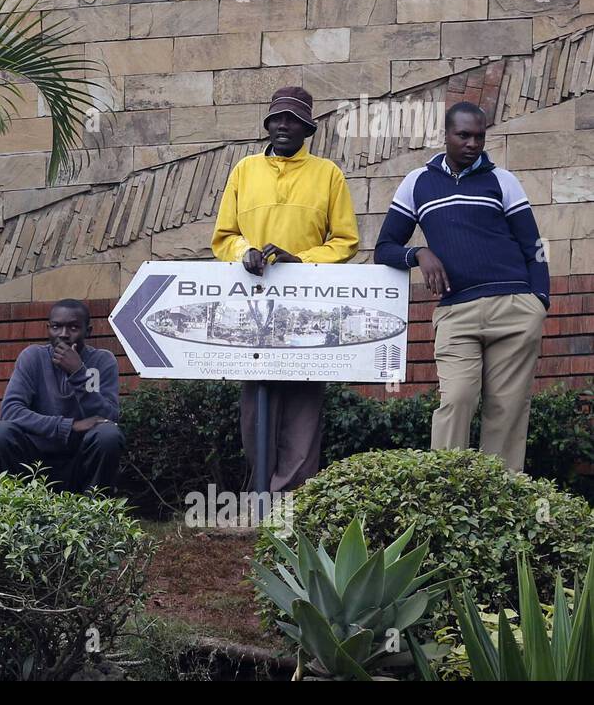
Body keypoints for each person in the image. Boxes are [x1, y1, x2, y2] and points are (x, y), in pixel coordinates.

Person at [374, 101, 549, 471]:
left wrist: (540, 301)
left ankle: (499, 501)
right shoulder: (418, 182)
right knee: (456, 399)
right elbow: (384, 248)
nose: (472, 143)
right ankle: (447, 491)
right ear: (447, 135)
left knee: (507, 409)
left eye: (479, 136)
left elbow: (535, 246)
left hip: (514, 307)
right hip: (457, 312)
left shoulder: (502, 181)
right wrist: (419, 253)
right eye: (464, 135)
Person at [211, 86, 359, 492]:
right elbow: (224, 237)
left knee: (303, 408)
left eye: (292, 119)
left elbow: (346, 241)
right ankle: (261, 493)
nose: (282, 125)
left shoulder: (328, 174)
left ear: (306, 127)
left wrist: (302, 261)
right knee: (256, 407)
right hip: (253, 313)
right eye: (276, 118)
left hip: (307, 314)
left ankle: (291, 500)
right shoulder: (244, 170)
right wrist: (246, 252)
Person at [0, 298, 123, 493]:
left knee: (108, 435)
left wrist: (78, 374)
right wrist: (69, 426)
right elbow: (10, 411)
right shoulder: (33, 357)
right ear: (48, 328)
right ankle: (20, 503)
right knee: (0, 432)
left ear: (88, 331)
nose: (64, 335)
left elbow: (109, 417)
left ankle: (94, 509)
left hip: (81, 459)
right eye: (57, 327)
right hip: (35, 461)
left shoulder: (102, 361)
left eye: (74, 327)